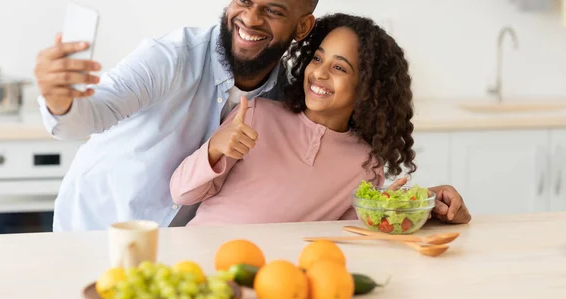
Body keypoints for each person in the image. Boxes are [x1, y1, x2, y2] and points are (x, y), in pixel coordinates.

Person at [34, 0, 321, 231]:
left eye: (273, 11)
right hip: (95, 228)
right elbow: (92, 117)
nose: (250, 18)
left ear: (303, 26)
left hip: (176, 248)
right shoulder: (170, 57)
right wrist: (59, 101)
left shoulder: (287, 96)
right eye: (243, 0)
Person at [170, 14, 472, 226]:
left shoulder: (365, 162)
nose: (320, 73)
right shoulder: (258, 115)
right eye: (317, 58)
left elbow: (347, 234)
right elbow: (182, 193)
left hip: (274, 280)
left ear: (367, 88)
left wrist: (424, 204)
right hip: (202, 256)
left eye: (339, 68)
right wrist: (214, 148)